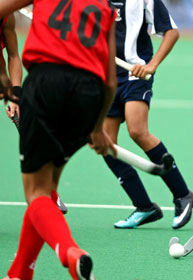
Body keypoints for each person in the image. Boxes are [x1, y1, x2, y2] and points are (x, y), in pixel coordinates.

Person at [0, 0, 117, 279]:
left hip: (45, 84)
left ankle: (70, 252)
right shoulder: (106, 9)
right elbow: (110, 81)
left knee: (36, 192)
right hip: (90, 94)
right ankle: (19, 274)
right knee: (48, 184)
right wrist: (98, 127)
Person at [103, 0, 193, 230]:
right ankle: (144, 206)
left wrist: (152, 65)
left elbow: (171, 32)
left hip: (135, 73)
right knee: (104, 143)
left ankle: (183, 195)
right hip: (105, 78)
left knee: (137, 131)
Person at [0, 13, 69, 214]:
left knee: (35, 140)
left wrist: (15, 94)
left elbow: (13, 56)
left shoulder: (6, 17)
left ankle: (48, 194)